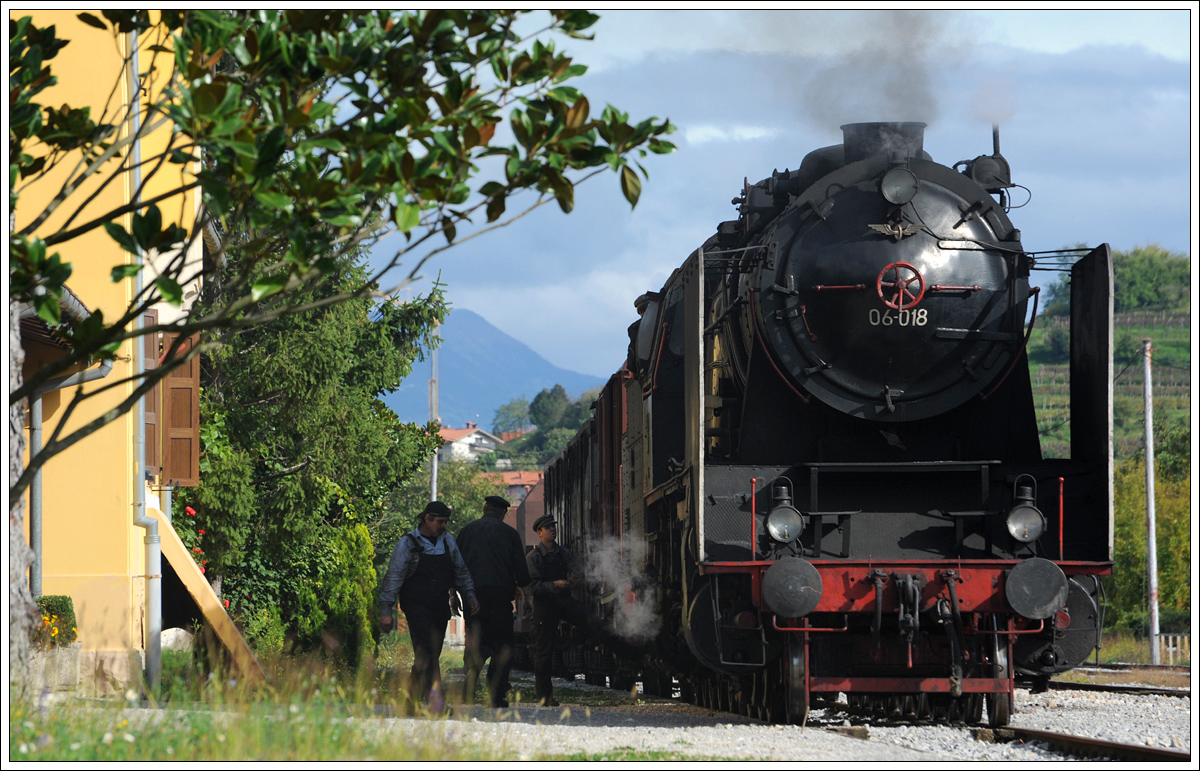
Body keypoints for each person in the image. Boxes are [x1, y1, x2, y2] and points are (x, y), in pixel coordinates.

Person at [378, 500, 479, 713]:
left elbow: (461, 572)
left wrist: (469, 595)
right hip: (416, 606)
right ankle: (437, 704)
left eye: (445, 522)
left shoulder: (448, 542)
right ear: (427, 519)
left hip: (439, 607)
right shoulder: (408, 544)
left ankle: (409, 703)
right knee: (425, 652)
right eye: (440, 522)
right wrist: (386, 611)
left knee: (429, 654)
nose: (443, 525)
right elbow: (393, 577)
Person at [456, 494, 532, 708]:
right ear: (503, 513)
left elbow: (456, 564)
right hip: (500, 598)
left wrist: (453, 594)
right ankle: (496, 695)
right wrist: (528, 597)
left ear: (484, 509)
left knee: (476, 644)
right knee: (502, 645)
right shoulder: (510, 534)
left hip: (473, 598)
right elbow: (521, 569)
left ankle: (468, 692)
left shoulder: (467, 531)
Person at [526, 514, 589, 707]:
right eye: (548, 528)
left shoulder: (564, 553)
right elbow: (532, 588)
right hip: (544, 607)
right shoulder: (534, 557)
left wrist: (573, 583)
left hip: (564, 601)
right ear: (539, 532)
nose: (552, 529)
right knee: (543, 653)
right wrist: (555, 584)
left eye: (553, 526)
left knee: (591, 621)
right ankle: (545, 697)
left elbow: (577, 575)